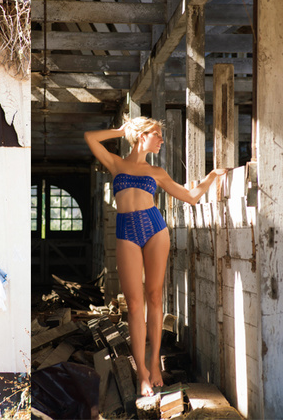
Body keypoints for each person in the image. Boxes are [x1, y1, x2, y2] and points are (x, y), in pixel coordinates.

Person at [85, 117, 226, 397]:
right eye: (157, 135)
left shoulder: (157, 171)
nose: (162, 140)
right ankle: (142, 374)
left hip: (155, 229)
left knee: (154, 296)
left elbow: (190, 198)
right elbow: (90, 137)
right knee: (134, 305)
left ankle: (154, 363)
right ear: (141, 136)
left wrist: (211, 178)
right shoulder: (116, 163)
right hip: (127, 232)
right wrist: (119, 130)